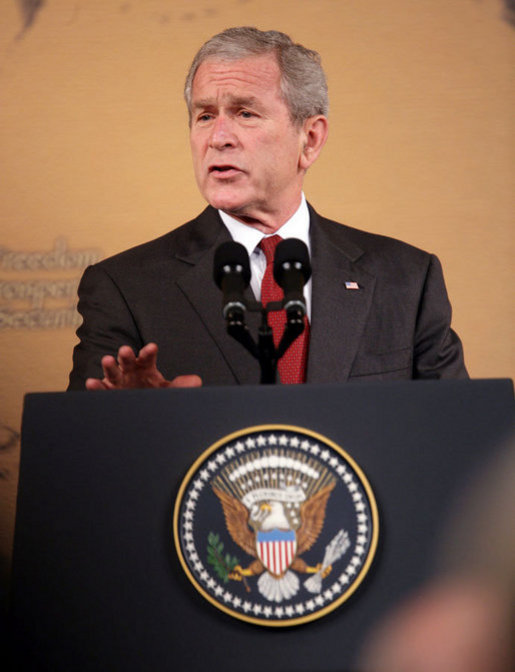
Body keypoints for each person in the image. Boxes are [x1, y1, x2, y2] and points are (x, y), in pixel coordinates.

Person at [68, 27, 467, 391]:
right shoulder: (125, 288)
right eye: (205, 115)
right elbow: (78, 450)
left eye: (245, 113)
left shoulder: (406, 279)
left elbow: (459, 438)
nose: (218, 137)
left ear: (310, 139)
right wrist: (134, 422)